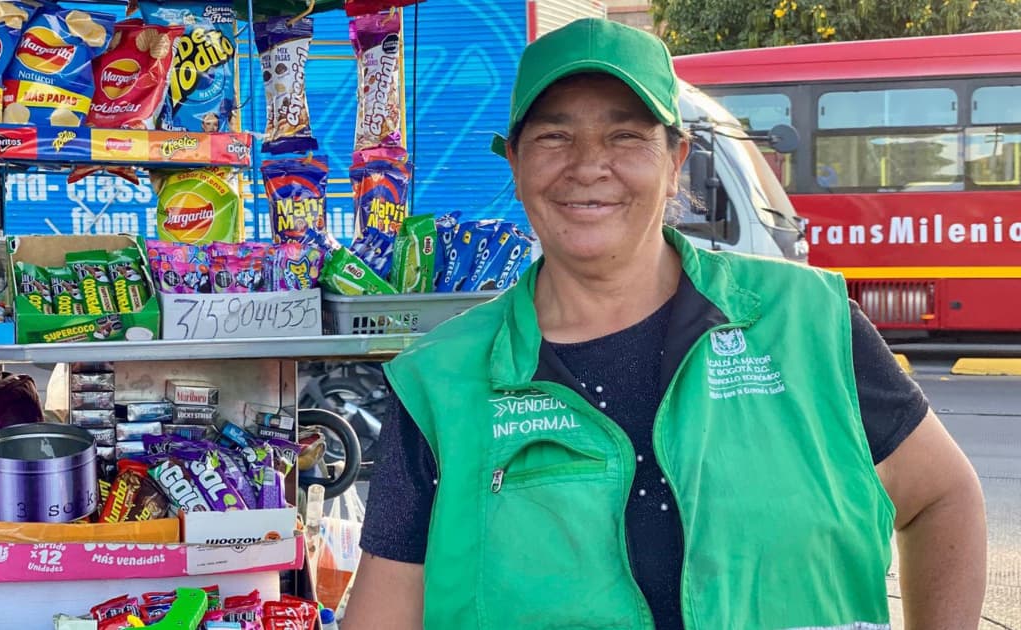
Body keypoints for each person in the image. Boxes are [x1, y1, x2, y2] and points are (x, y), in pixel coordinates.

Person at [341, 18, 986, 630]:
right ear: (514, 163)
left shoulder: (810, 322)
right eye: (554, 137)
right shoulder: (440, 384)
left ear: (676, 161)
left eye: (626, 136)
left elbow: (944, 496)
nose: (588, 166)